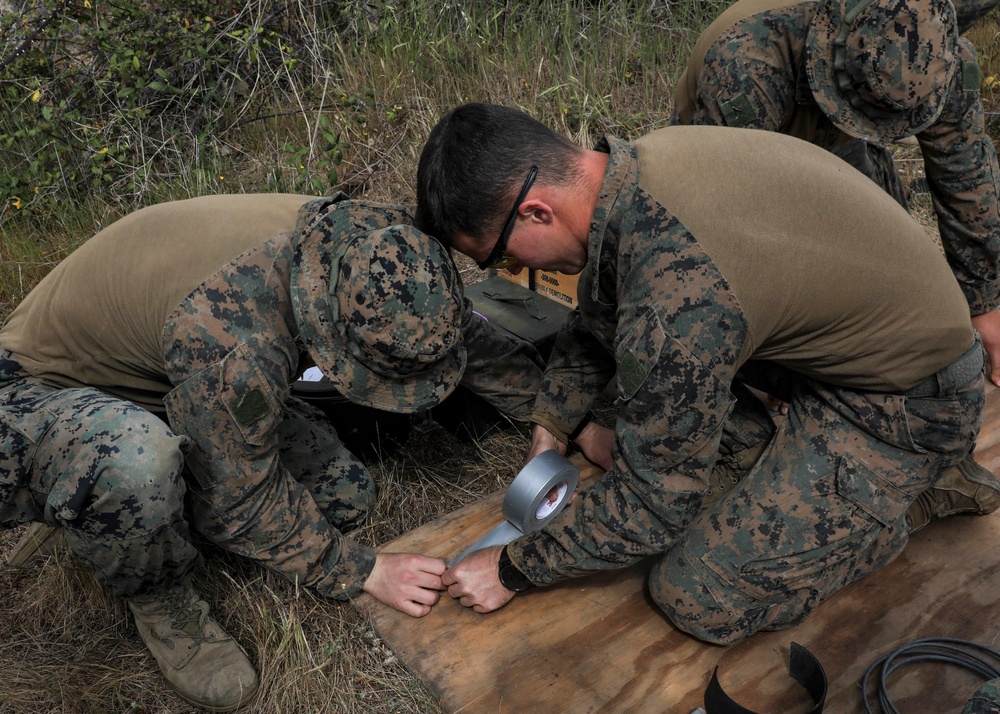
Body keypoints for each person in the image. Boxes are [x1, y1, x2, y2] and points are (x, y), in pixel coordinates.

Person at [414, 102, 1000, 645]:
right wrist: (553, 423)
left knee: (696, 593)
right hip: (847, 353)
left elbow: (654, 506)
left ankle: (905, 500)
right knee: (648, 419)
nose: (518, 272)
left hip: (906, 406)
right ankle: (831, 477)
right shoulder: (638, 170)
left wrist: (512, 567)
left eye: (509, 259)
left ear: (536, 211)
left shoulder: (677, 287)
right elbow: (601, 311)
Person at [0, 192, 545, 711]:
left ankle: (137, 488)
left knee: (343, 493)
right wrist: (361, 569)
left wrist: (558, 415)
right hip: (36, 391)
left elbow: (452, 333)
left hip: (163, 379)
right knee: (138, 465)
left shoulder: (373, 244)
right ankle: (150, 580)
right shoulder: (233, 337)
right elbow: (241, 501)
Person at [671, 0, 1000, 385]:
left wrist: (985, 305)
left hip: (837, 137)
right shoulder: (747, 61)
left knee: (891, 269)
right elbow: (737, 235)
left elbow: (965, 175)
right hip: (731, 154)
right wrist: (784, 362)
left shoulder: (931, 42)